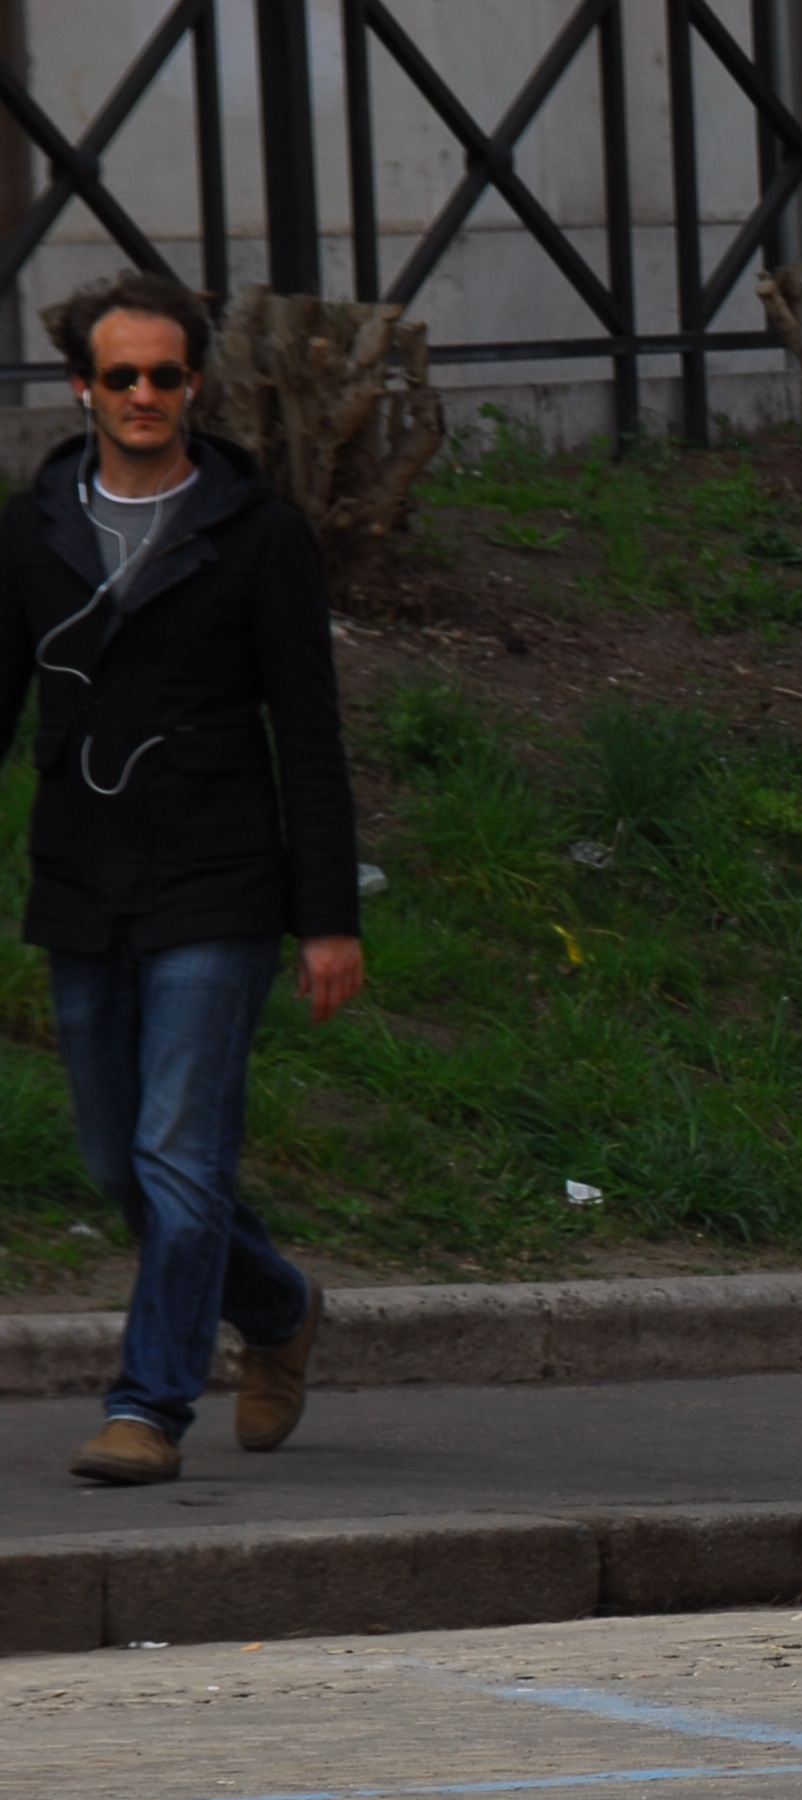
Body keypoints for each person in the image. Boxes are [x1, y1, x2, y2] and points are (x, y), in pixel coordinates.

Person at [3, 270, 360, 1485]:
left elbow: (306, 736)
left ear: (194, 385)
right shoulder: (36, 528)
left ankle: (147, 1407)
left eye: (166, 375)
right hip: (82, 879)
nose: (145, 394)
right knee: (119, 1163)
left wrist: (327, 921)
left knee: (177, 1151)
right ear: (83, 389)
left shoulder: (254, 536)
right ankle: (278, 1308)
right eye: (122, 377)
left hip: (218, 879)